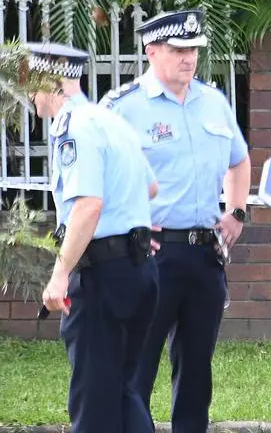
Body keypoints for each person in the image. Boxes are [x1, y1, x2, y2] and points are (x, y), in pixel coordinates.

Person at [100, 9, 252, 433]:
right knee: (138, 365)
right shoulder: (123, 107)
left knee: (197, 369)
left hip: (205, 255)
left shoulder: (214, 101)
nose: (189, 58)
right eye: (178, 50)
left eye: (194, 50)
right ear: (152, 51)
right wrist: (126, 225)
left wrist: (236, 211)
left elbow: (239, 161)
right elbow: (99, 179)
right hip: (151, 255)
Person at [26, 41, 160, 433]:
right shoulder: (110, 120)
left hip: (101, 276)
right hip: (137, 270)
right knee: (123, 393)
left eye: (31, 84)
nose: (29, 95)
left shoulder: (75, 127)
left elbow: (87, 206)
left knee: (94, 404)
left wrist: (59, 274)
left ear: (49, 81)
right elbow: (150, 188)